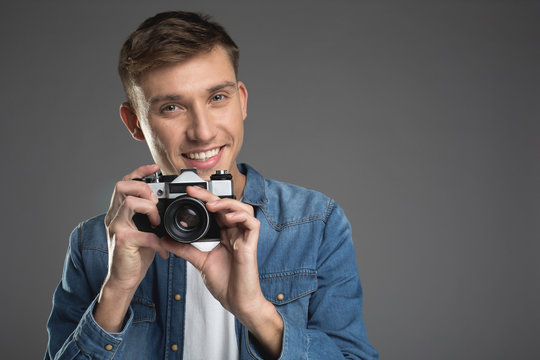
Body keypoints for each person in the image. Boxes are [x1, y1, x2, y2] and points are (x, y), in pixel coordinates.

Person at [45, 11, 379, 360]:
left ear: (242, 100)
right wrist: (115, 292)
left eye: (217, 98)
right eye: (171, 107)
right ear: (135, 123)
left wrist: (257, 313)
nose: (202, 131)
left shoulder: (315, 224)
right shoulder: (95, 244)